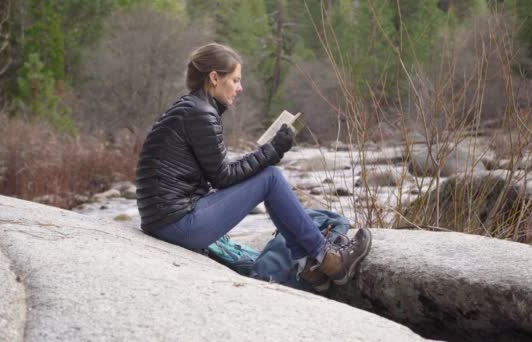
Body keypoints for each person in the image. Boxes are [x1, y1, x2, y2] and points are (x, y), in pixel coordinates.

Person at [136, 43, 372, 290]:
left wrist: (268, 152)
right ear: (214, 78)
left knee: (268, 176)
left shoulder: (190, 108)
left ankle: (310, 263)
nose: (240, 88)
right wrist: (272, 151)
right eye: (235, 80)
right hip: (177, 225)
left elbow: (218, 173)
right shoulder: (201, 114)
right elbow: (223, 178)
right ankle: (328, 260)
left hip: (163, 220)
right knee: (270, 177)